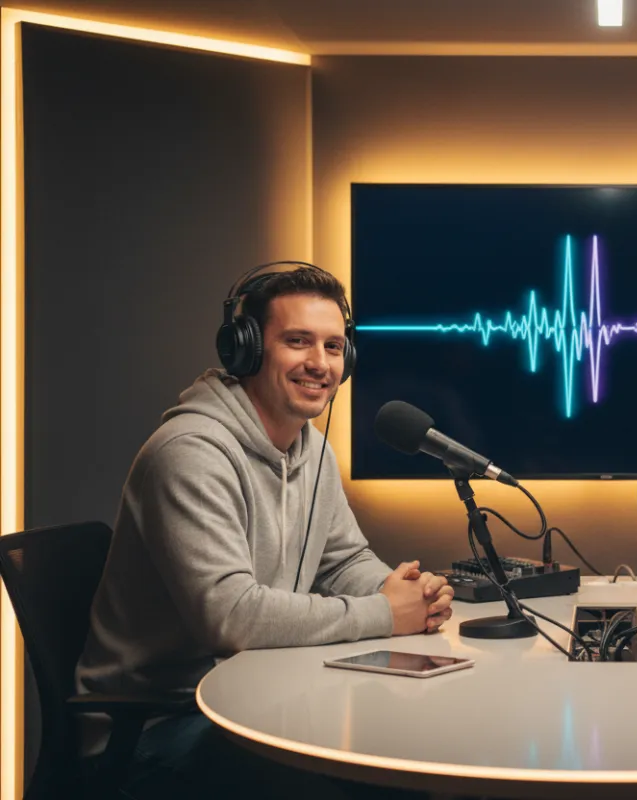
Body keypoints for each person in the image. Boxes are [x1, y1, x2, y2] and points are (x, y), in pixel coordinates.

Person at [77, 262, 452, 799]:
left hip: (254, 698)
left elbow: (343, 560)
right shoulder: (190, 454)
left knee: (413, 768)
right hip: (156, 730)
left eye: (333, 346)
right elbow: (230, 617)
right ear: (245, 349)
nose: (319, 364)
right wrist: (384, 613)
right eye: (297, 341)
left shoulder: (312, 449)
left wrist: (404, 590)